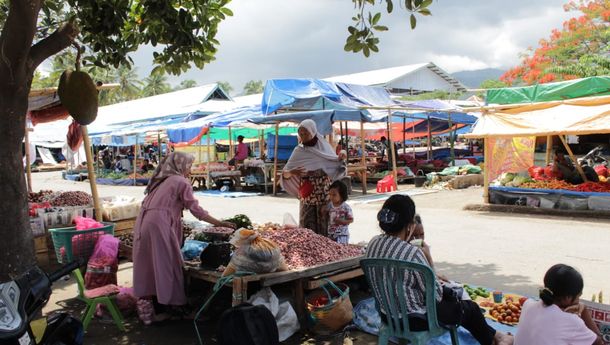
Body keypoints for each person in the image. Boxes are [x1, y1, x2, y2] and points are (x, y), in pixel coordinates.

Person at [366, 195, 513, 345]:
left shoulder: (373, 243)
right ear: (410, 225)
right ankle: (495, 339)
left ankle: (497, 337)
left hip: (386, 315)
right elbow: (436, 296)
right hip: (414, 320)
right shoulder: (412, 253)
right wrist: (429, 260)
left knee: (463, 308)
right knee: (469, 308)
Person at [132, 152, 235, 324]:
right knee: (167, 264)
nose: (190, 169)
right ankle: (172, 307)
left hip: (145, 222)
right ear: (181, 166)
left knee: (151, 264)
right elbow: (195, 210)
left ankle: (159, 308)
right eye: (189, 165)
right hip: (159, 224)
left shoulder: (162, 180)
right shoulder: (180, 181)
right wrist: (219, 222)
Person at [281, 120, 346, 236]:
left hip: (324, 196)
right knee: (307, 230)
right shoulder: (298, 151)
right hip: (307, 196)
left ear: (313, 131)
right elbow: (285, 174)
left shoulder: (324, 148)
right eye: (300, 134)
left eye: (306, 133)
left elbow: (336, 164)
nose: (303, 136)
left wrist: (342, 155)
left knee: (325, 227)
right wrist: (292, 172)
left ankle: (326, 251)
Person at [515, 264, 603, 345]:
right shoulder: (571, 321)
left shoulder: (528, 304)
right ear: (567, 298)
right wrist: (584, 310)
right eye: (578, 296)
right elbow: (599, 342)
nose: (578, 300)